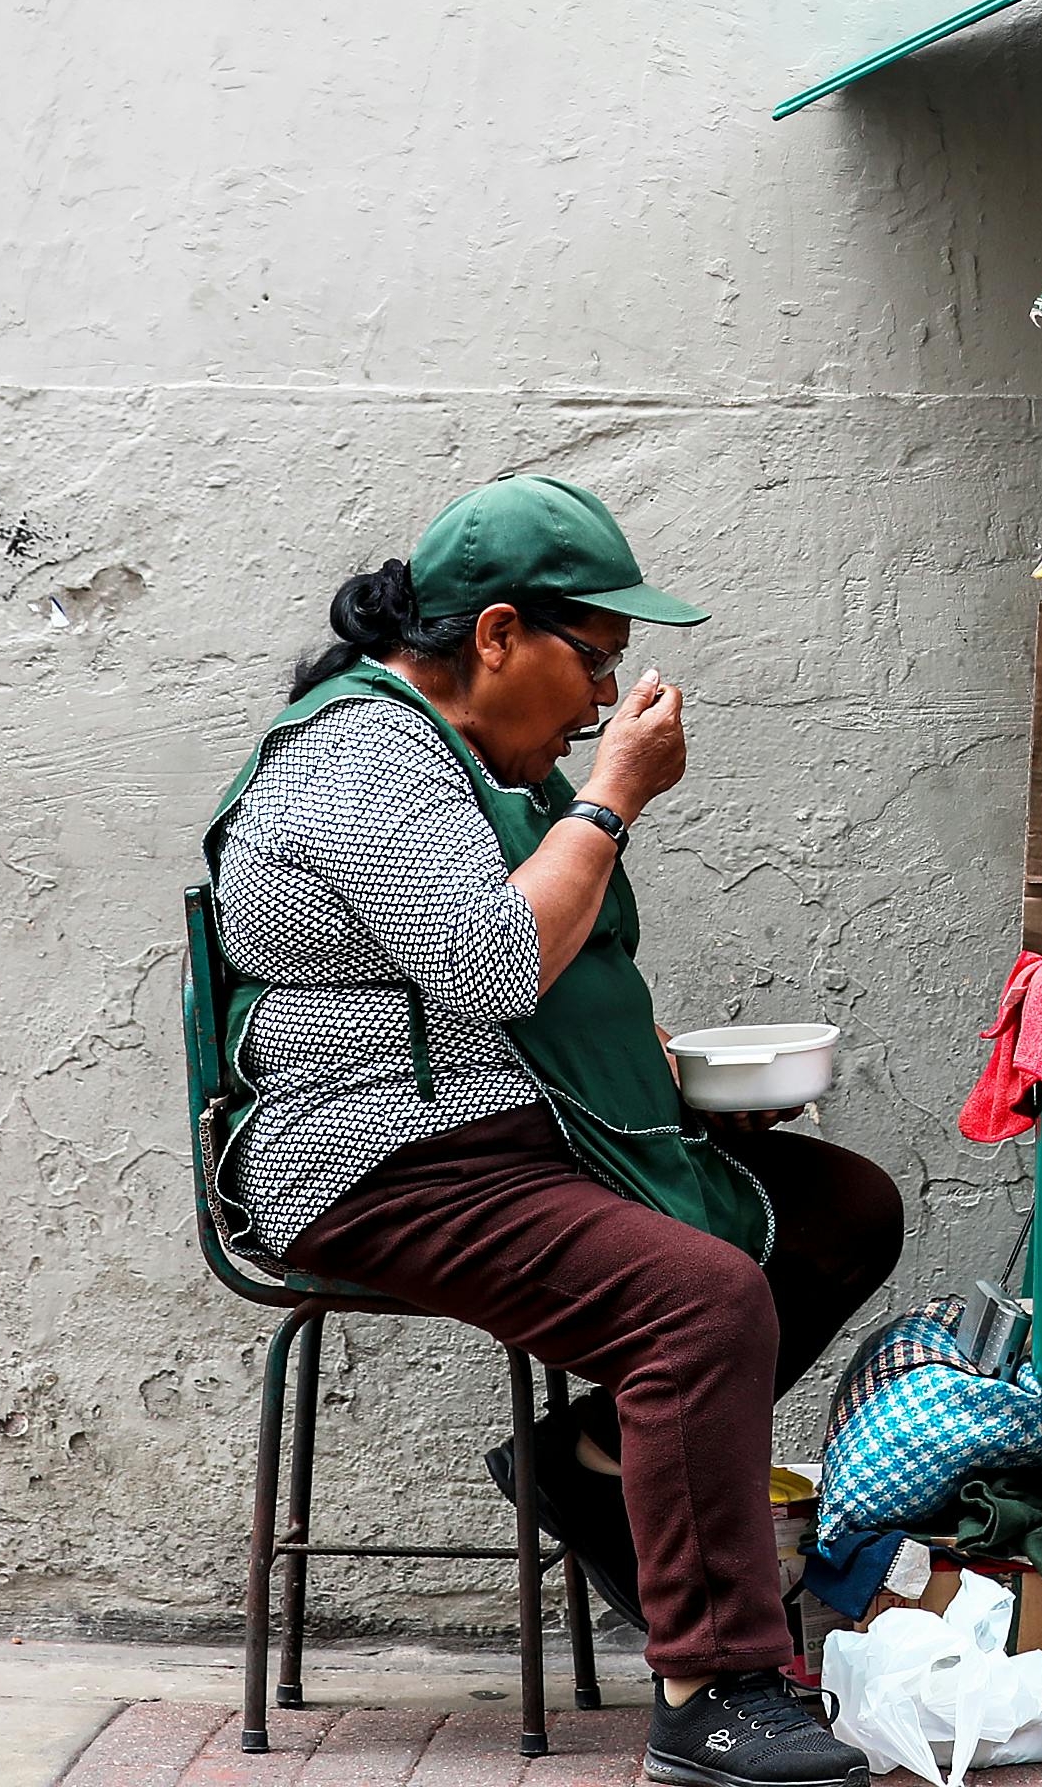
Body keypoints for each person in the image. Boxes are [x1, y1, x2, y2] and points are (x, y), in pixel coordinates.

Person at [204, 475, 894, 1787]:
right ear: (499, 634)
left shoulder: (444, 755)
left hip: (508, 1138)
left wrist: (683, 1092)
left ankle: (588, 1463)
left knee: (837, 1212)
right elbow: (491, 959)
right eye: (595, 664)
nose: (597, 707)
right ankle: (715, 1691)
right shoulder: (364, 751)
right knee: (696, 1303)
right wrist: (616, 798)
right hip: (376, 1161)